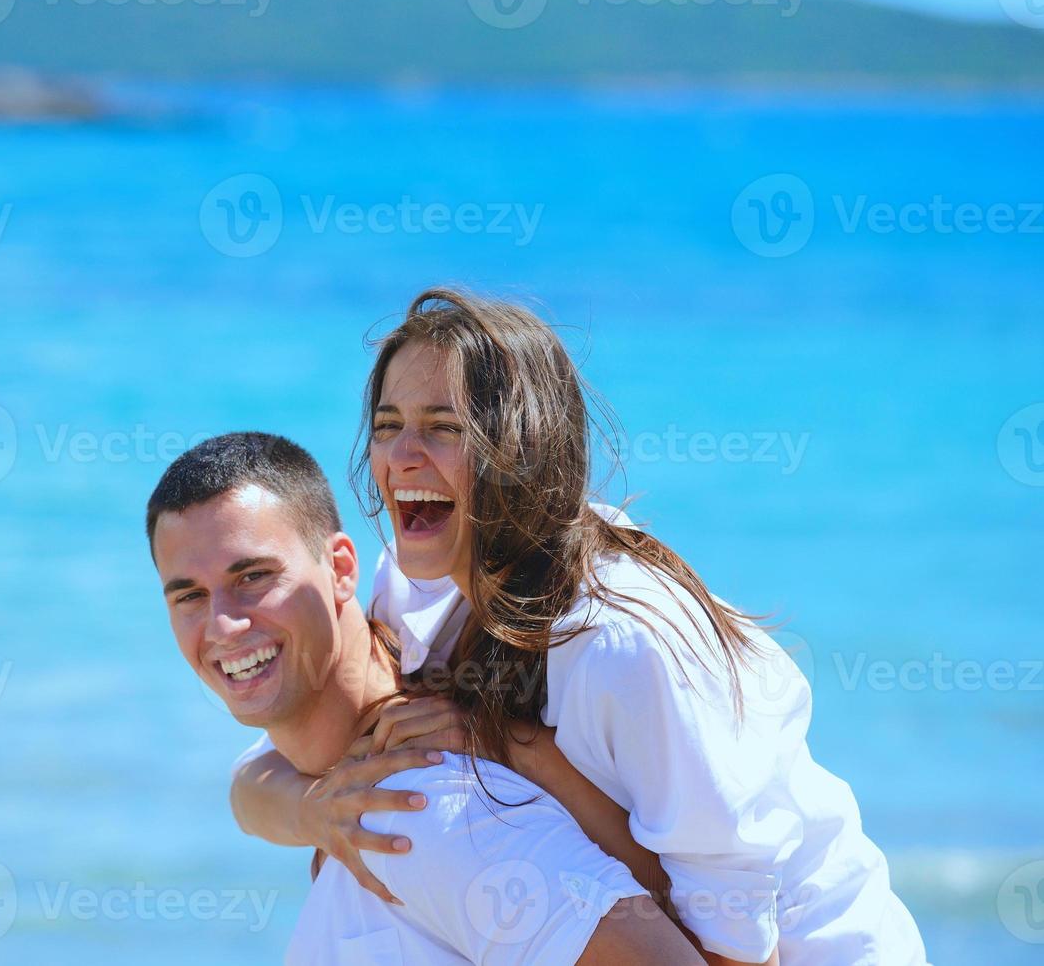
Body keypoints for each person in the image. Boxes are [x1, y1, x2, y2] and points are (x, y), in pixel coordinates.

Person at [232, 289, 930, 965]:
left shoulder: (619, 642)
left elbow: (734, 951)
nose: (401, 456)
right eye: (387, 426)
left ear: (520, 447)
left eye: (444, 427)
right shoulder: (416, 583)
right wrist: (320, 813)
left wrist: (512, 745)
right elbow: (267, 776)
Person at [148, 432, 703, 965]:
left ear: (342, 569)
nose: (222, 624)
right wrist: (307, 812)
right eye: (190, 595)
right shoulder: (343, 795)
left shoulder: (426, 812)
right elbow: (248, 786)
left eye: (252, 577)